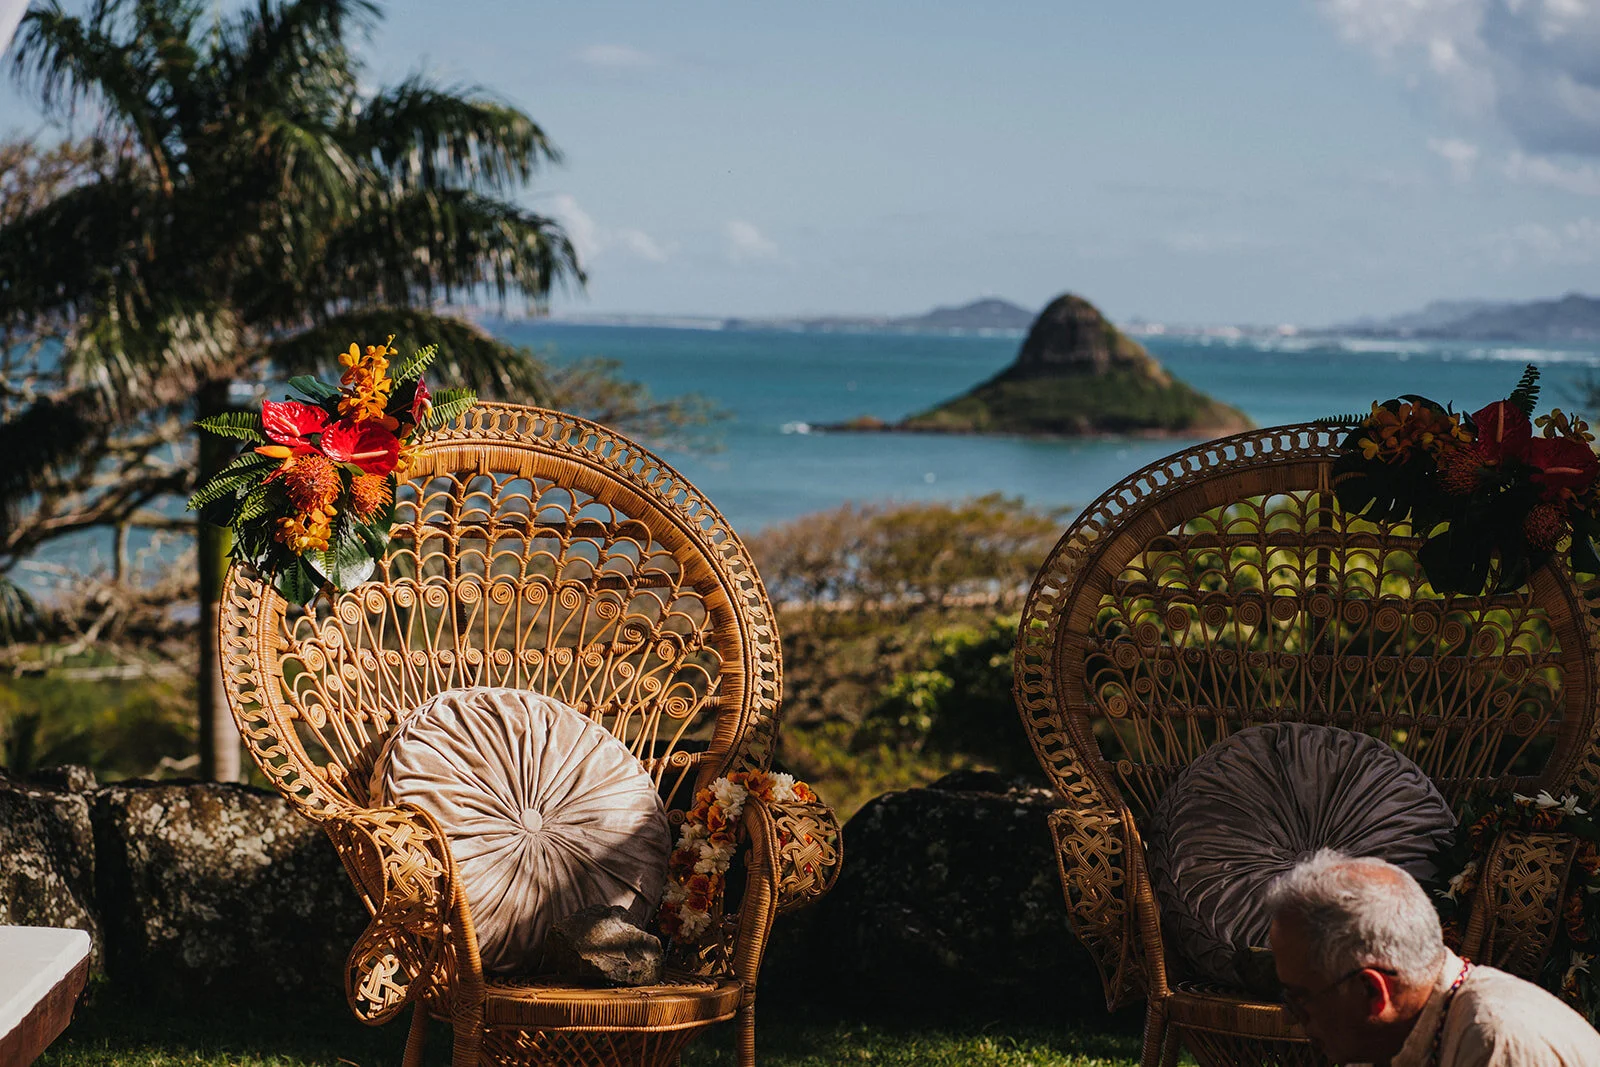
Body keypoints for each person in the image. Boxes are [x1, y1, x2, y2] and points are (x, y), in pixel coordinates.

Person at [1266, 849, 1600, 1066]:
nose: (1292, 1019)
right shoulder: (1388, 1040)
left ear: (1373, 992)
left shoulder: (1497, 1043)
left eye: (1299, 999)